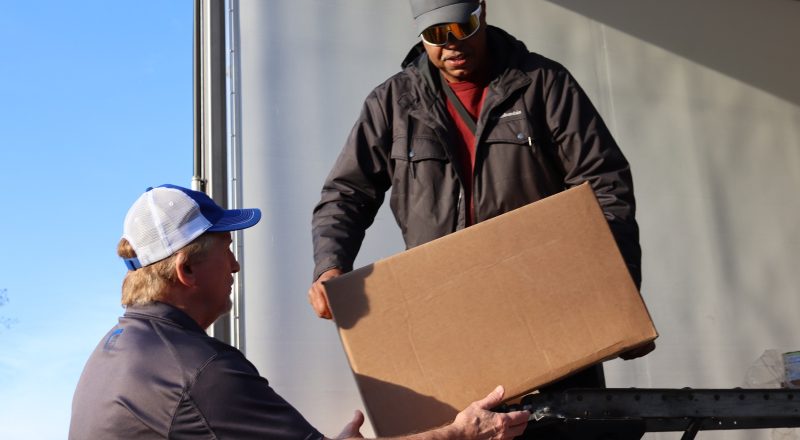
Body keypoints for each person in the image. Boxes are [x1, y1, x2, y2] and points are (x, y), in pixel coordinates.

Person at [309, 0, 648, 397]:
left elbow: (605, 184)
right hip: (450, 313)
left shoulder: (543, 85)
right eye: (436, 34)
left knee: (565, 427)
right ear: (419, 34)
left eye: (461, 26)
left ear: (482, 13)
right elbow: (346, 194)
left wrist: (619, 296)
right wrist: (330, 265)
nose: (451, 44)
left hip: (547, 301)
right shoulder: (392, 104)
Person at [69, 184, 529, 440]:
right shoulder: (197, 371)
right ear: (187, 269)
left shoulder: (112, 355)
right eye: (226, 250)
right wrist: (463, 433)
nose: (235, 264)